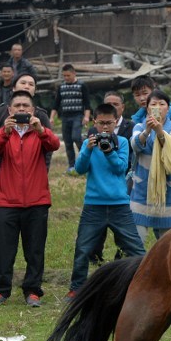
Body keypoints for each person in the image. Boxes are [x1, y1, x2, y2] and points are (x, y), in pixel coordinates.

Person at [65, 103, 146, 300]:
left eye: (109, 123)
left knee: (135, 248)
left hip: (119, 205)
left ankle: (145, 283)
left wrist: (109, 151)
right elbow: (80, 169)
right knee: (83, 248)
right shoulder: (88, 143)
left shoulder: (122, 142)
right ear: (95, 122)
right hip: (94, 205)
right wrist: (88, 149)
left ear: (115, 122)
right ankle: (77, 288)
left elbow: (120, 168)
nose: (105, 127)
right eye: (101, 123)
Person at [0, 90, 60, 308]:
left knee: (35, 250)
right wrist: (5, 132)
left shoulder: (39, 132)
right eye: (17, 106)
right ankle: (0, 291)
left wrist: (41, 129)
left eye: (25, 106)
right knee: (3, 249)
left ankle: (33, 290)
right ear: (10, 110)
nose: (21, 109)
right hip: (7, 201)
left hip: (37, 201)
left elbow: (55, 144)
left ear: (33, 110)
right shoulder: (4, 132)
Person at [129, 76, 171, 220]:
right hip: (152, 164)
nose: (142, 98)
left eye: (145, 93)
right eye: (137, 95)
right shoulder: (140, 117)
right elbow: (136, 142)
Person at [0, 73, 53, 204]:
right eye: (23, 83)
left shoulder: (41, 115)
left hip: (34, 178)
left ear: (35, 90)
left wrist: (44, 170)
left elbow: (49, 147)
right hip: (3, 176)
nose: (27, 86)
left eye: (31, 84)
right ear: (13, 88)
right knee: (3, 211)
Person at [129, 90, 171, 243]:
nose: (157, 107)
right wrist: (147, 130)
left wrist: (159, 131)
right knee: (136, 241)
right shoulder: (139, 127)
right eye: (153, 104)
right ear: (147, 109)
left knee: (168, 243)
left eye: (162, 104)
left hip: (166, 193)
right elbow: (135, 146)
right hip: (141, 190)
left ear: (168, 109)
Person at [50, 64, 92, 174]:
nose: (66, 78)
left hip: (77, 116)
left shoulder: (81, 85)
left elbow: (87, 103)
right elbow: (56, 104)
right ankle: (72, 166)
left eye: (68, 75)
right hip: (65, 117)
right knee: (68, 142)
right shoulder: (61, 87)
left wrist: (86, 116)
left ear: (74, 73)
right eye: (64, 76)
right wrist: (52, 117)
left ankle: (85, 158)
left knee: (76, 137)